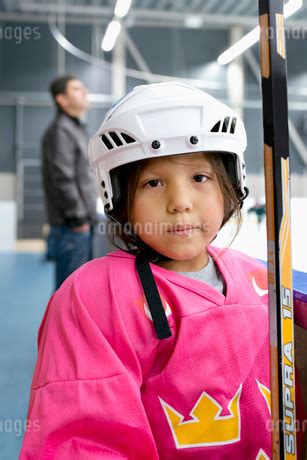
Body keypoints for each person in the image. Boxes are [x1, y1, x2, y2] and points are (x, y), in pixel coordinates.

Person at [20, 83, 306, 459]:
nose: (180, 203)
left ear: (231, 185)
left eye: (199, 178)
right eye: (154, 182)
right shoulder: (92, 299)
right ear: (118, 195)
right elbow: (83, 439)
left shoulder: (263, 280)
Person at [42, 75, 97, 289]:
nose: (84, 92)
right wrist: (78, 220)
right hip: (72, 228)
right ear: (62, 100)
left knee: (79, 290)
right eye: (76, 89)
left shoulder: (74, 129)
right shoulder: (61, 131)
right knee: (70, 293)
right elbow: (62, 178)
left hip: (80, 226)